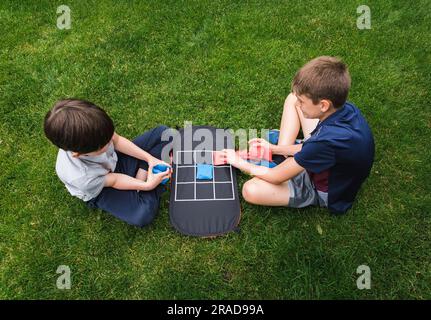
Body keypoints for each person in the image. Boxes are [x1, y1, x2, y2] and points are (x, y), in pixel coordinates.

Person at [221, 56, 375, 214]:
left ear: (323, 105)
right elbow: (315, 144)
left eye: (302, 102)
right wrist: (274, 149)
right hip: (327, 155)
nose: (297, 104)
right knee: (291, 97)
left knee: (251, 190)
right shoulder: (347, 109)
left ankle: (286, 165)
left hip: (324, 190)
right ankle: (282, 155)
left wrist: (238, 162)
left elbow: (276, 176)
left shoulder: (325, 143)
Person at [44, 98, 172, 226]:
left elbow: (117, 141)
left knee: (164, 133)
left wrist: (149, 159)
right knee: (142, 215)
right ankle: (147, 184)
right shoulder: (82, 177)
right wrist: (148, 185)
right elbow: (114, 180)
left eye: (110, 137)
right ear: (79, 154)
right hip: (103, 187)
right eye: (105, 144)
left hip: (115, 161)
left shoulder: (95, 130)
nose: (111, 141)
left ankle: (144, 171)